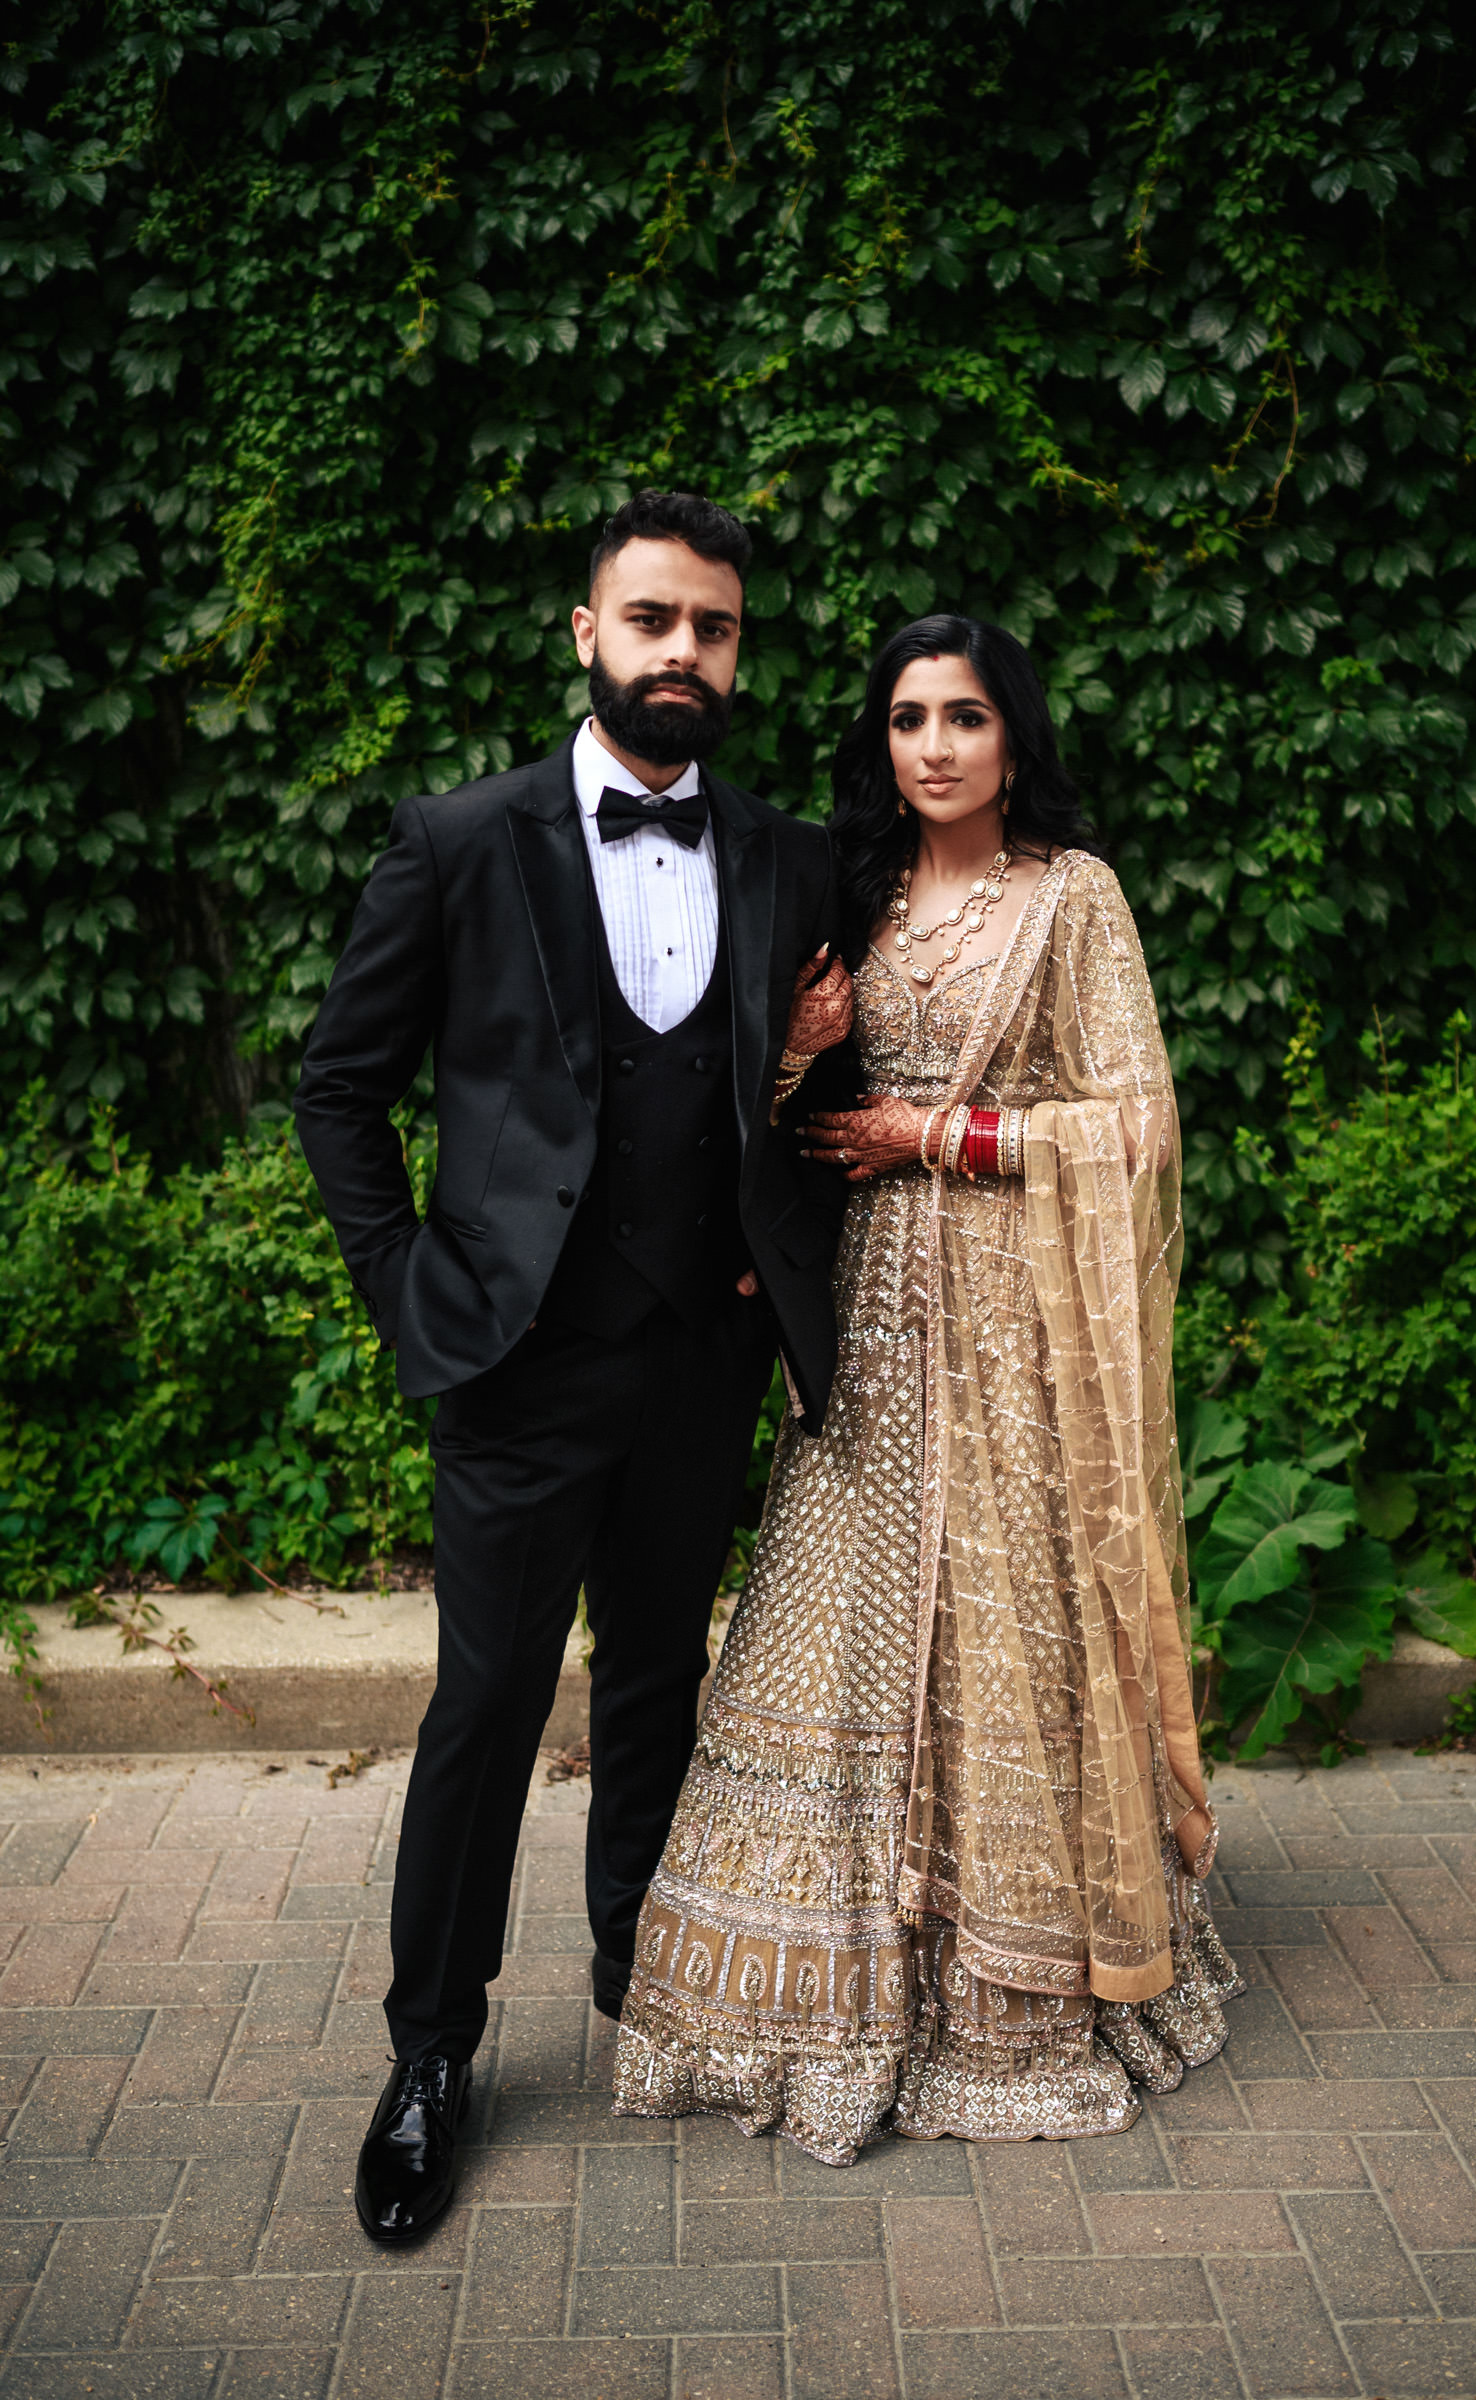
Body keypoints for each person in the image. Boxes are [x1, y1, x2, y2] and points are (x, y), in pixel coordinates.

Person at [294, 489, 854, 2240]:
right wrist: (413, 1292)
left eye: (714, 627)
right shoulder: (461, 840)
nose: (683, 651)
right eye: (653, 619)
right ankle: (430, 2054)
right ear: (587, 631)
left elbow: (809, 1102)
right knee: (484, 1706)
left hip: (702, 1362)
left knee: (658, 1685)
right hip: (516, 1366)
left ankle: (641, 1976)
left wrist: (783, 1196)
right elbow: (339, 1089)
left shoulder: (788, 856)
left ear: (739, 651)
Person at [612, 614, 1241, 2162]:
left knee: (1002, 1625)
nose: (937, 747)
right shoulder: (854, 889)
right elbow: (775, 1105)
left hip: (1013, 1330)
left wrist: (939, 1135)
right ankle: (807, 2002)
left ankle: (1003, 1992)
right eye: (909, 719)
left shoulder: (1072, 898)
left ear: (1013, 738)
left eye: (965, 716)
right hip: (867, 1322)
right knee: (831, 1624)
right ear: (883, 742)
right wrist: (792, 1056)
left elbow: (1138, 1127)